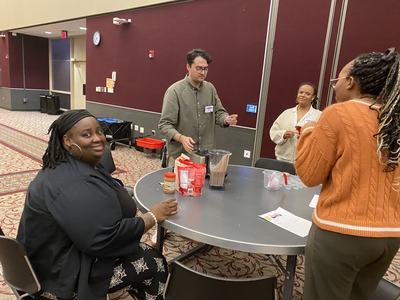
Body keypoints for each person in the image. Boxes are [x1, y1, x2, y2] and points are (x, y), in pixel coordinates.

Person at [17, 110, 178, 300]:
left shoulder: (71, 164)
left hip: (56, 253)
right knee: (153, 261)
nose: (98, 139)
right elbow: (102, 239)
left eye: (99, 131)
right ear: (67, 140)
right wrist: (151, 217)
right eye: (87, 134)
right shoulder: (72, 183)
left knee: (139, 251)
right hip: (57, 277)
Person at [295, 48, 400, 300]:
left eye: (337, 80)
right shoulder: (393, 117)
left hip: (341, 233)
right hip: (390, 236)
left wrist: (309, 131)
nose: (334, 87)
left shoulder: (338, 113)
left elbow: (309, 175)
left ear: (351, 82)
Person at [158, 49, 238, 166]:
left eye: (205, 69)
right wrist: (181, 138)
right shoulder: (174, 91)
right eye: (199, 68)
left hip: (206, 155)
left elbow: (218, 113)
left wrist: (226, 119)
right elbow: (164, 125)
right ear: (188, 67)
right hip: (181, 157)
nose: (203, 72)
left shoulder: (210, 89)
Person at [269, 82, 321, 162]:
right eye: (301, 92)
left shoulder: (319, 116)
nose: (303, 95)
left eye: (307, 93)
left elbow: (323, 139)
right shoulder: (286, 113)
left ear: (313, 97)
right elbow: (273, 132)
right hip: (282, 160)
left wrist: (307, 138)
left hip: (305, 162)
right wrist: (284, 134)